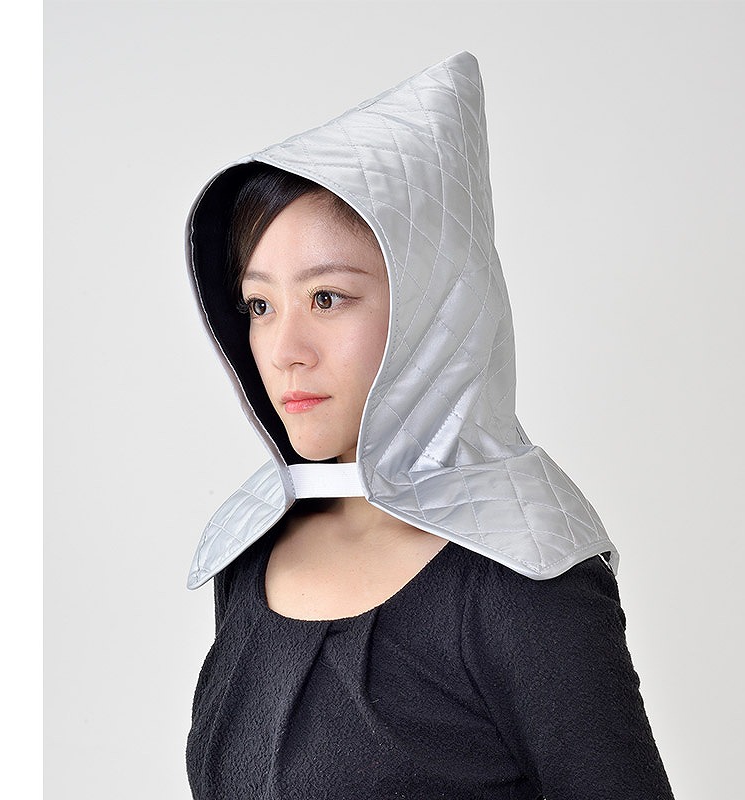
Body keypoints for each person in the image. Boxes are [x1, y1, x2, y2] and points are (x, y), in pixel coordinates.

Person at [184, 52, 674, 799]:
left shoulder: (523, 582)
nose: (284, 351)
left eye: (326, 298)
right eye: (260, 305)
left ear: (432, 307)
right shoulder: (251, 551)